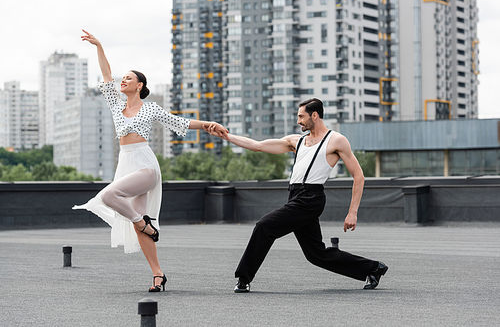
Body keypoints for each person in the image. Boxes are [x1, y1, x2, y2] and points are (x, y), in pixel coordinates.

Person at [73, 30, 228, 292]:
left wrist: (207, 125)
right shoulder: (116, 105)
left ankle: (143, 223)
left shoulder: (151, 108)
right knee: (140, 225)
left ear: (140, 86)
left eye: (129, 78)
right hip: (125, 164)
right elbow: (106, 74)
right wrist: (99, 45)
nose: (123, 81)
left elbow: (180, 122)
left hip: (145, 165)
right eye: (124, 78)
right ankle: (158, 273)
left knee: (109, 197)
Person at [204, 98, 388, 293]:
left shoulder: (336, 140)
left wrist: (352, 212)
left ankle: (243, 278)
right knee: (316, 255)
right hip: (295, 195)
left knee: (264, 226)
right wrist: (227, 136)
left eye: (301, 116)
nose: (298, 121)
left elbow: (359, 176)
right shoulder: (297, 141)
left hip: (311, 198)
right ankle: (374, 268)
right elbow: (257, 145)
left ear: (314, 115)